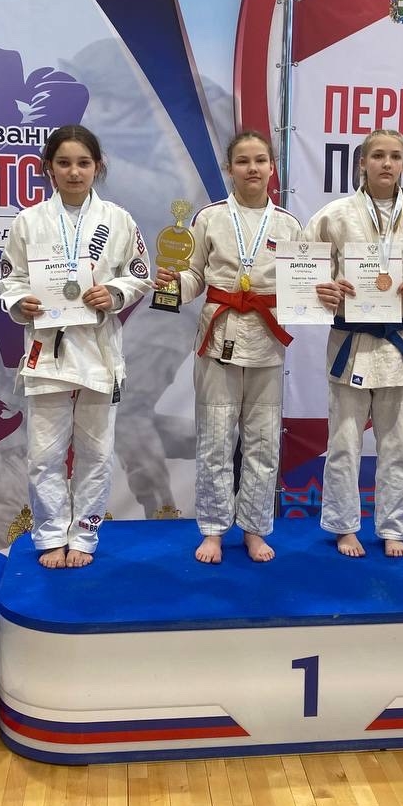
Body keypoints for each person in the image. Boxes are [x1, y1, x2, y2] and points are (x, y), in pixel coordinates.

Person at [0, 125, 151, 568]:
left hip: (99, 352)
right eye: (63, 163)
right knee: (44, 454)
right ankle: (49, 533)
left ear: (98, 167)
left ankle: (84, 533)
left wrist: (115, 292)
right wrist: (20, 301)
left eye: (83, 163)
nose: (74, 172)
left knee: (96, 453)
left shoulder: (118, 219)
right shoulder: (28, 221)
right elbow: (10, 278)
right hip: (47, 351)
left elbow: (139, 272)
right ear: (49, 167)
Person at [155, 130, 302, 563]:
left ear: (272, 167)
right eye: (242, 161)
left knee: (263, 442)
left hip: (267, 341)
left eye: (260, 160)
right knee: (216, 439)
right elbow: (194, 276)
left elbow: (301, 283)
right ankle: (214, 530)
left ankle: (254, 529)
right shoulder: (209, 218)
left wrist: (319, 293)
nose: (252, 168)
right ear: (229, 168)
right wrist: (172, 285)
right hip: (219, 337)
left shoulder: (289, 225)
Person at [305, 129, 403, 557]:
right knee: (344, 442)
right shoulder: (334, 215)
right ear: (362, 163)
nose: (387, 163)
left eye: (396, 156)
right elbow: (304, 266)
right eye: (378, 155)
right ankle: (344, 525)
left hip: (400, 342)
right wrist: (324, 287)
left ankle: (394, 527)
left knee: (398, 444)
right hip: (351, 341)